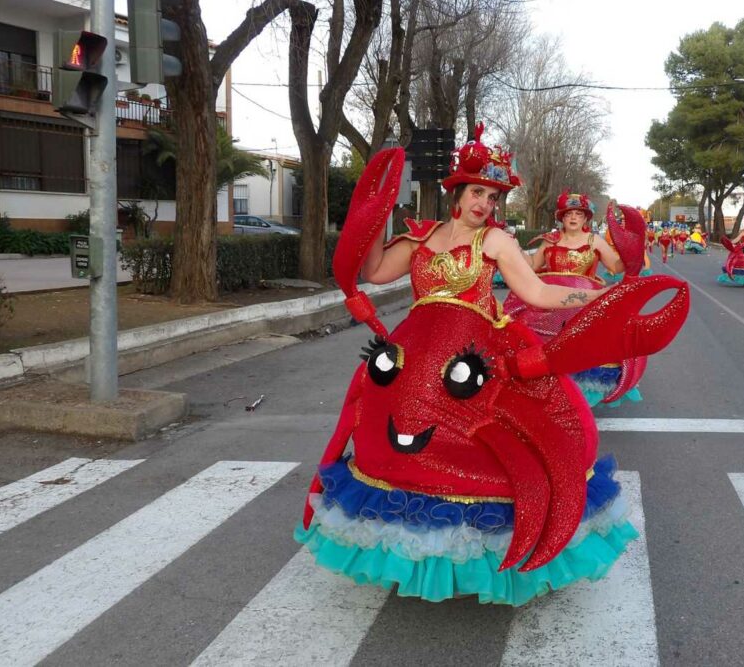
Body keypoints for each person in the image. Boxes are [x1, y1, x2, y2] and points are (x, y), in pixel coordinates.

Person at [296, 125, 690, 605]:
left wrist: (600, 294)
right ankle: (416, 551)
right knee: (396, 441)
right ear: (456, 195)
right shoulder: (420, 237)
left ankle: (506, 544)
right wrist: (375, 217)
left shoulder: (496, 242)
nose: (485, 203)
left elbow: (537, 292)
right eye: (477, 192)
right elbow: (373, 271)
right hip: (414, 361)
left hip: (473, 360)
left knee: (504, 438)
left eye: (493, 196)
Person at [507, 193, 647, 408]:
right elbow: (533, 265)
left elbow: (616, 267)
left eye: (578, 214)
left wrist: (632, 250)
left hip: (584, 305)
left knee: (585, 348)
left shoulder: (595, 241)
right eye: (569, 214)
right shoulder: (549, 240)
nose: (573, 218)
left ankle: (576, 402)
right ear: (561, 218)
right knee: (539, 347)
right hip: (550, 305)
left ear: (585, 218)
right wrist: (514, 248)